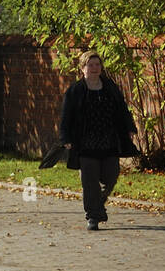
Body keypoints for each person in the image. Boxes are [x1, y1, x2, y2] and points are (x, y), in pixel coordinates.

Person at [59, 50, 138, 230]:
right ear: (82, 68)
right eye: (90, 65)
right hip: (85, 143)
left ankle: (98, 202)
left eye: (97, 65)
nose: (94, 68)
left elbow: (122, 109)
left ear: (101, 68)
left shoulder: (110, 87)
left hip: (109, 140)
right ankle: (93, 216)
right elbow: (66, 116)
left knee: (111, 176)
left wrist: (129, 128)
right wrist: (65, 138)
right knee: (89, 180)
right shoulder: (75, 91)